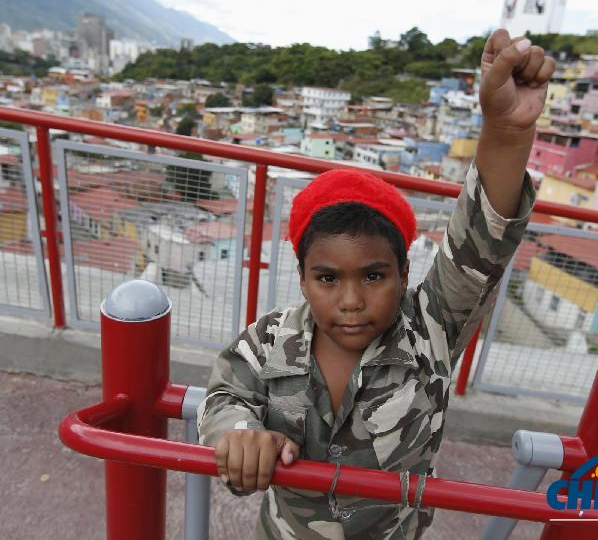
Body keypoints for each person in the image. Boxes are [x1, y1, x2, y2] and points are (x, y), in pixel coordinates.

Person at [197, 29, 555, 539]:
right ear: (301, 278)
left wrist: (506, 130)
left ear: (404, 274)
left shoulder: (432, 328)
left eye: (373, 275)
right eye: (327, 278)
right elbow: (225, 395)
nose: (350, 300)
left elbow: (483, 243)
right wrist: (240, 435)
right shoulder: (268, 343)